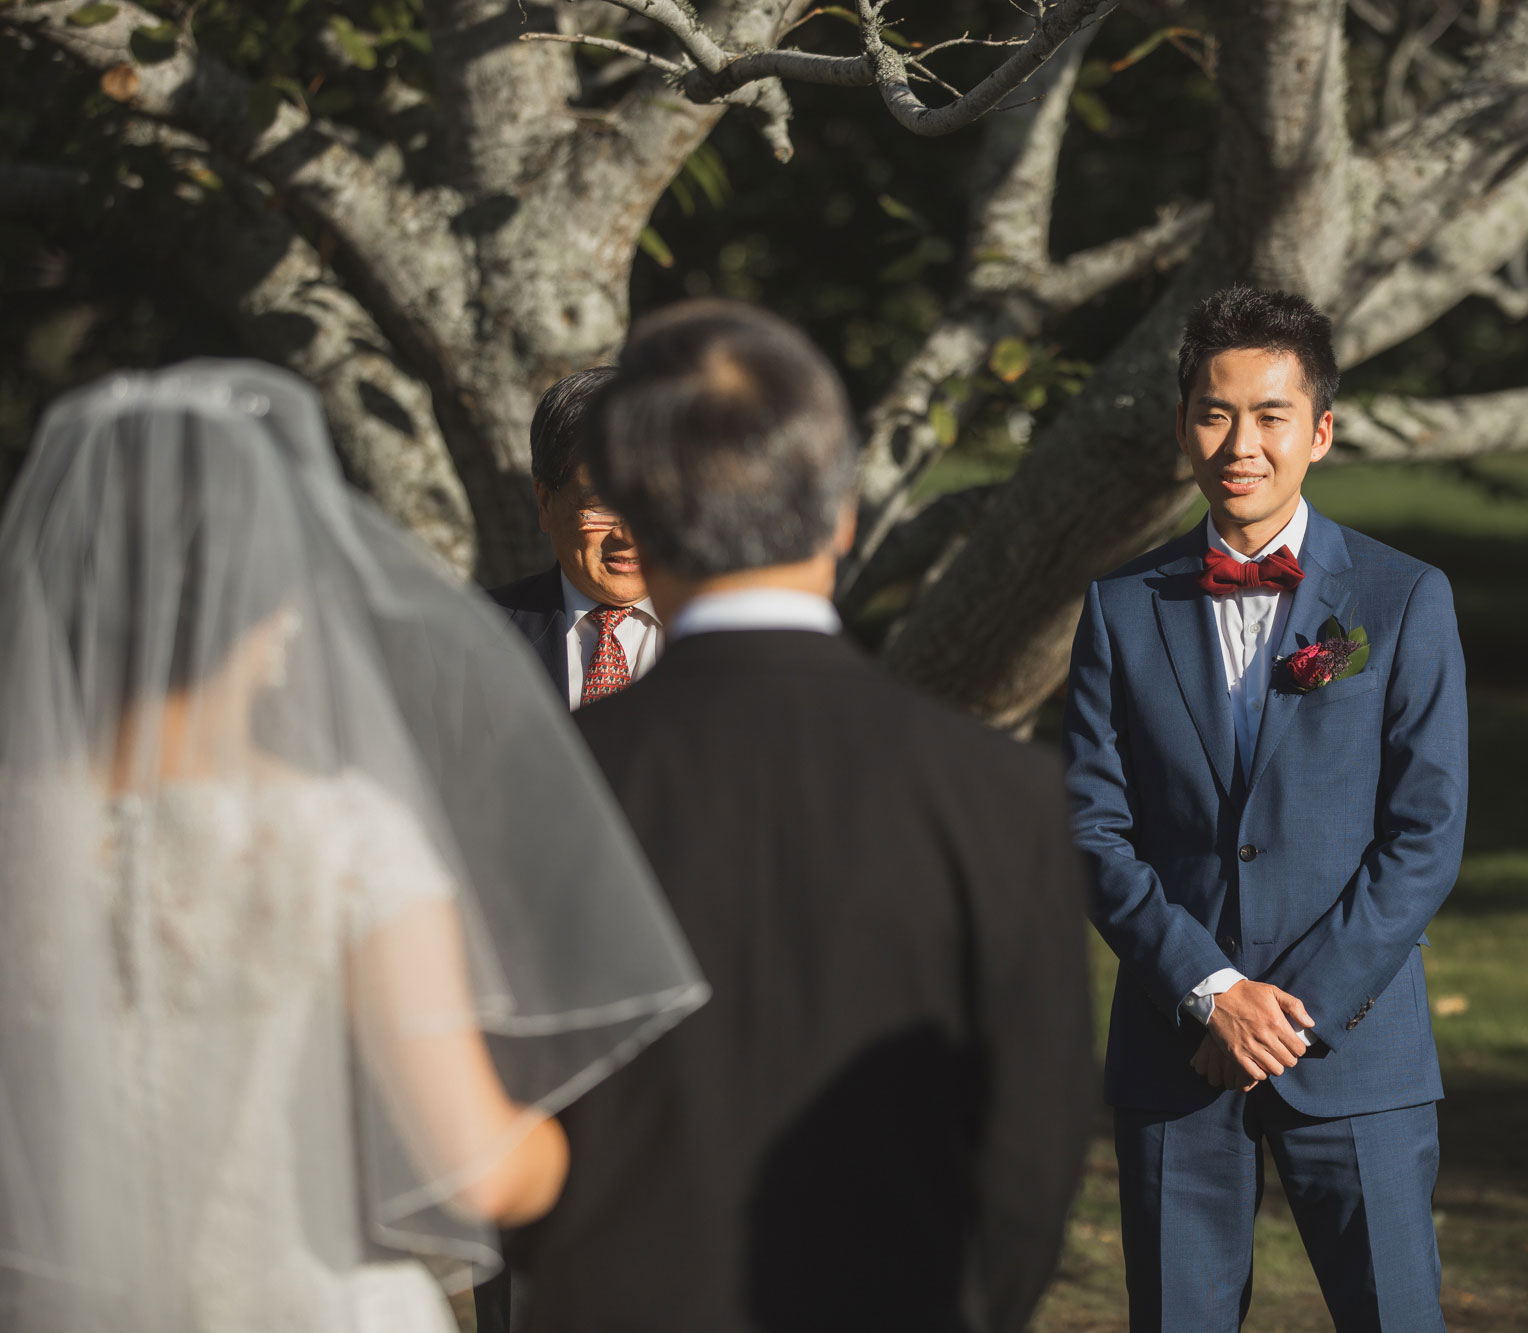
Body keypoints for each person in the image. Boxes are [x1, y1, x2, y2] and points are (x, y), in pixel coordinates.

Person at [0, 363, 707, 1333]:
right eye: (595, 500)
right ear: (543, 504)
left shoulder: (739, 670)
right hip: (450, 1113)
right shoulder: (439, 679)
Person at [512, 299, 1096, 1333]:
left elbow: (505, 1107)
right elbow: (1031, 1153)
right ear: (842, 518)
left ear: (648, 511)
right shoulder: (1003, 796)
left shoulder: (547, 783)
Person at [1063, 285, 1468, 1331]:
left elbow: (1422, 836)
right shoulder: (1120, 606)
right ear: (1183, 425)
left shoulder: (1402, 596)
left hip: (1355, 1048)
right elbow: (1093, 828)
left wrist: (1283, 1015)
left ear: (1318, 430)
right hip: (1176, 1046)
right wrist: (1208, 991)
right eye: (1212, 412)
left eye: (1269, 415)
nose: (1238, 443)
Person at [490, 367, 662, 707]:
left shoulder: (738, 639)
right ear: (545, 503)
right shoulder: (472, 633)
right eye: (600, 505)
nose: (628, 535)